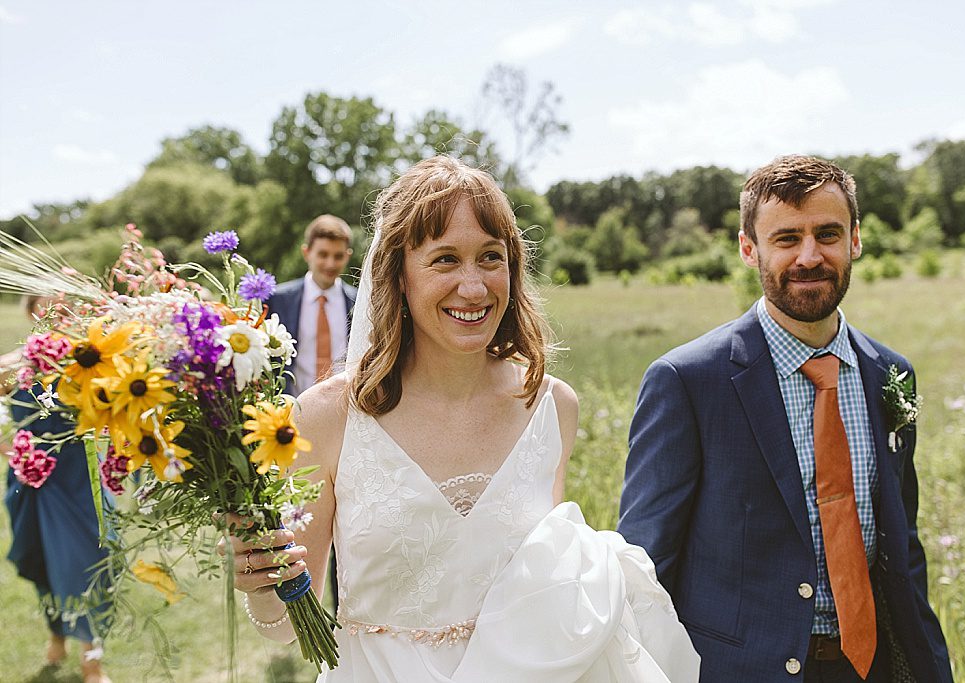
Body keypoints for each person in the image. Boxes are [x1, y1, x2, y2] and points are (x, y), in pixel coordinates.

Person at [227, 156, 700, 681]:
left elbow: (550, 583)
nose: (473, 287)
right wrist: (265, 585)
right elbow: (288, 625)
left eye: (490, 257)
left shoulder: (551, 408)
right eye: (445, 260)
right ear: (399, 276)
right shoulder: (327, 417)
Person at [619, 155, 952, 682]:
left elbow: (903, 553)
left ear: (855, 240)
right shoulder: (687, 381)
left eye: (827, 234)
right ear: (748, 248)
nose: (809, 255)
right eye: (786, 239)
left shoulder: (891, 374)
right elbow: (644, 568)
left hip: (873, 667)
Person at [2, 295, 113, 683]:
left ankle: (91, 658)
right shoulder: (13, 368)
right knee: (40, 562)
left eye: (65, 306)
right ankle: (55, 635)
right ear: (32, 310)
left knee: (86, 565)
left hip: (80, 479)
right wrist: (10, 447)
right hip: (32, 481)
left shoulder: (92, 362)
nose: (57, 313)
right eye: (48, 306)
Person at [267, 214, 358, 397]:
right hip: (289, 410)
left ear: (347, 256)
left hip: (344, 412)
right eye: (323, 255)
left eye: (338, 256)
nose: (330, 264)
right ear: (306, 252)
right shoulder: (277, 300)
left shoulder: (359, 303)